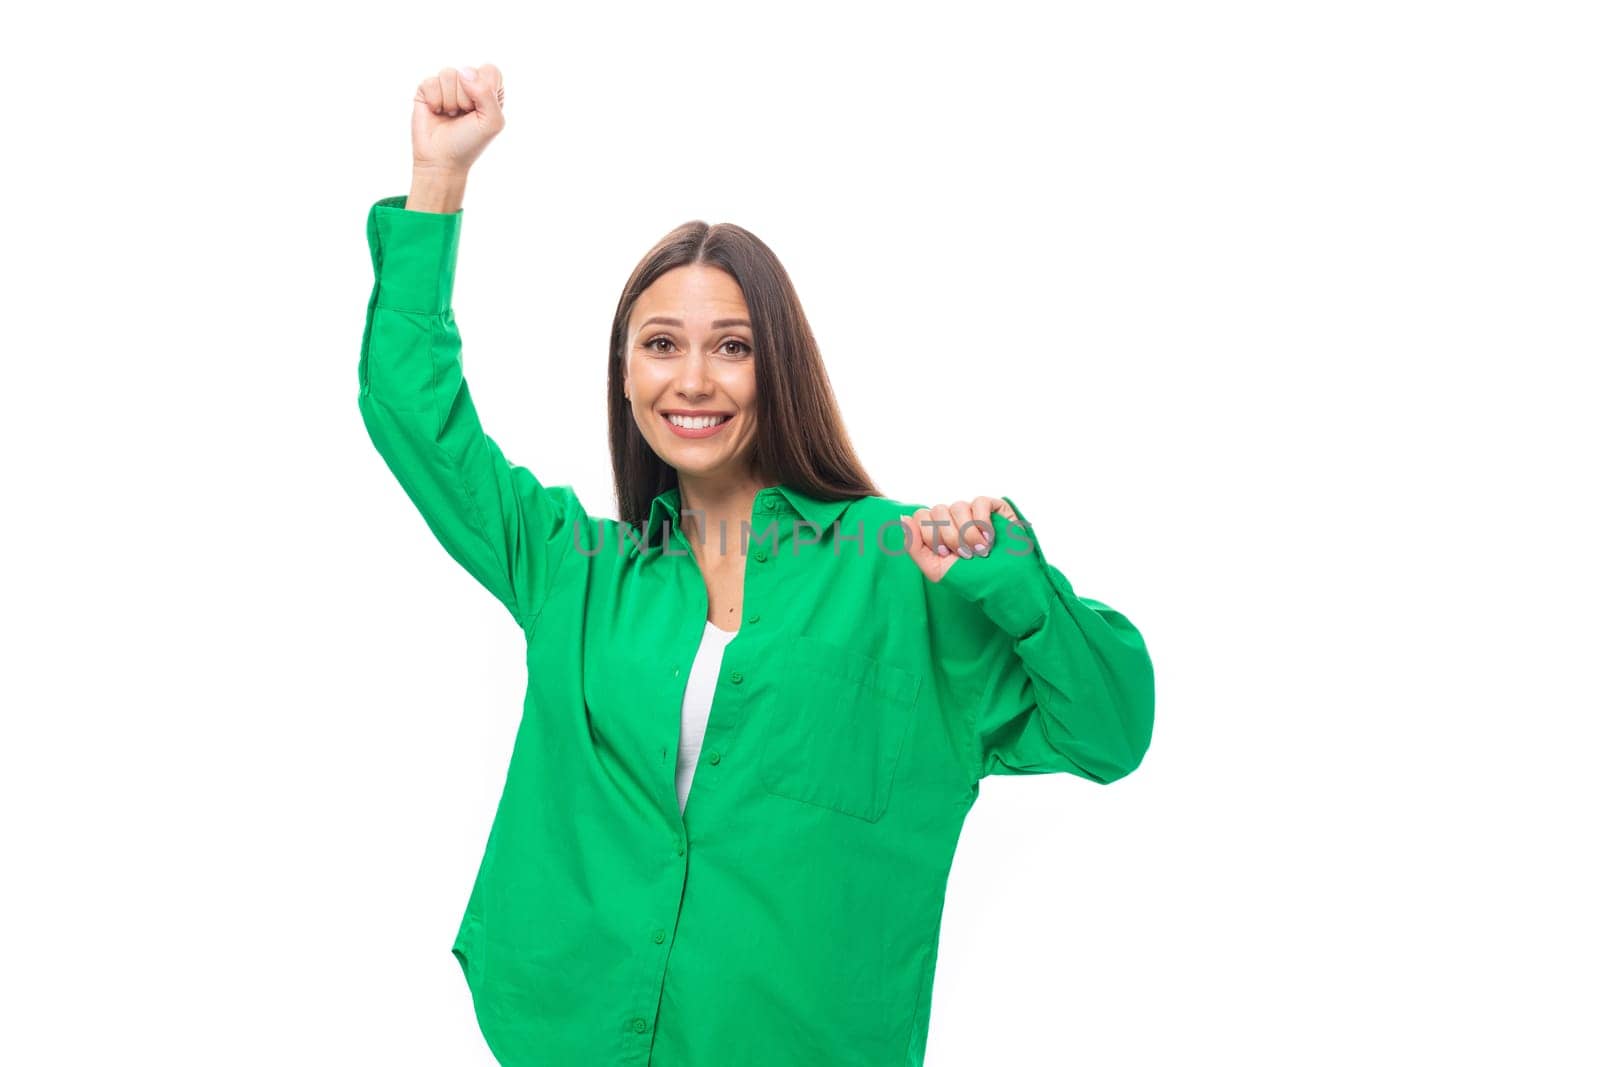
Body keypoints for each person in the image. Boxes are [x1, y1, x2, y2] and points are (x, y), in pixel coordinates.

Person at [357, 61, 1156, 1067]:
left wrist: (1013, 579)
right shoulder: (578, 571)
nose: (692, 379)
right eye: (659, 344)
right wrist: (438, 181)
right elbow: (413, 415)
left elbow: (1113, 729)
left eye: (731, 346)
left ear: (777, 363)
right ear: (625, 373)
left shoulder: (905, 573)